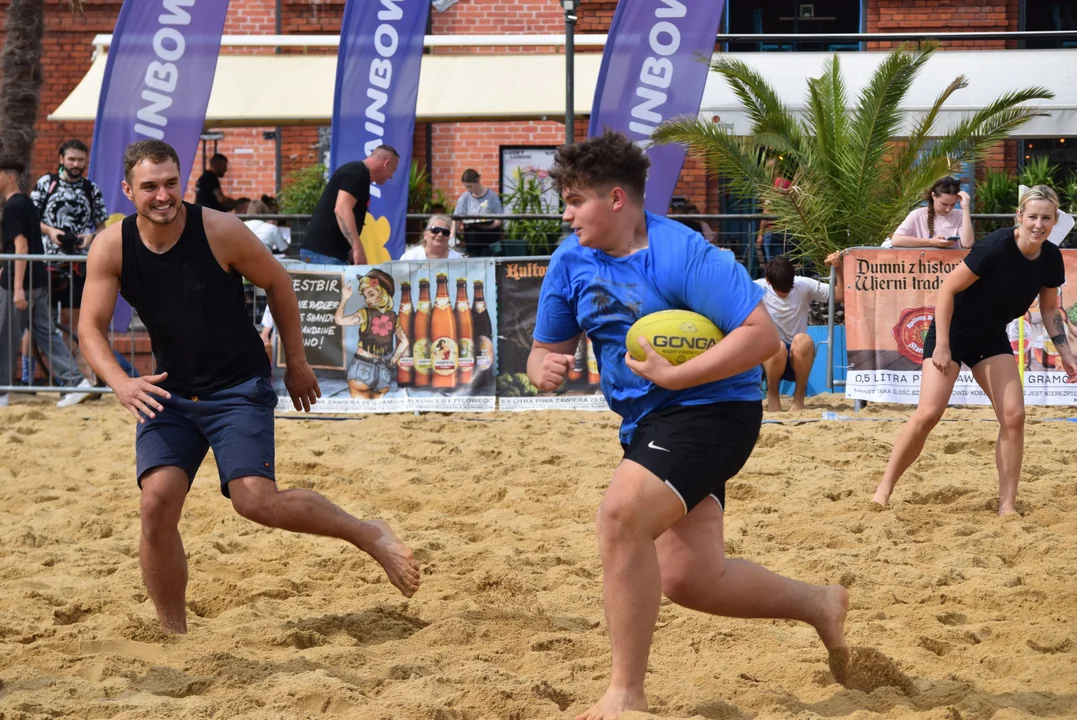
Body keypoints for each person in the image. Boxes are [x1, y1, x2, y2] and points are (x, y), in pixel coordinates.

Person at [527, 131, 848, 720]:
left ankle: (626, 694)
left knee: (621, 515)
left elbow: (758, 337)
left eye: (576, 201)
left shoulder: (685, 253)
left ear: (617, 199)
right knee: (689, 578)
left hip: (715, 411)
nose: (567, 214)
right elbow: (545, 347)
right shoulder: (569, 260)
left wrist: (679, 378)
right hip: (646, 422)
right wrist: (541, 366)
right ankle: (819, 603)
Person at [78, 140, 420, 633]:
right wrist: (120, 382)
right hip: (169, 391)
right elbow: (90, 327)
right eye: (149, 186)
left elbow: (279, 283)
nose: (162, 195)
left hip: (237, 385)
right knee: (155, 504)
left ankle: (368, 534)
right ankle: (175, 633)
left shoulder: (219, 229)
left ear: (182, 181)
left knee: (254, 500)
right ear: (129, 190)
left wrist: (298, 363)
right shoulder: (112, 246)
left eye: (171, 183)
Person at [873, 186, 1075, 516]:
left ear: (1055, 221)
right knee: (929, 414)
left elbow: (1050, 309)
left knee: (1014, 416)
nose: (1039, 224)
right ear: (1019, 217)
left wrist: (1065, 354)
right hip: (952, 330)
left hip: (989, 336)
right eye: (1033, 216)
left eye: (1046, 218)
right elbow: (947, 289)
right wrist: (942, 347)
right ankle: (884, 489)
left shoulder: (1051, 258)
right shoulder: (996, 245)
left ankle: (1007, 504)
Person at [0, 157, 95, 408]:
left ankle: (1, 393)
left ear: (9, 176)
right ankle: (76, 383)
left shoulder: (13, 207)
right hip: (38, 279)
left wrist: (18, 287)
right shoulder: (26, 203)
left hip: (21, 282)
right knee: (45, 333)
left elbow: (21, 247)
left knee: (6, 335)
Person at [756, 254, 844, 411]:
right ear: (768, 281)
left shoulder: (803, 284)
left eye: (788, 288)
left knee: (803, 340)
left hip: (797, 357)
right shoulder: (757, 288)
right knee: (778, 346)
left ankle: (799, 398)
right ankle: (773, 395)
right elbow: (727, 293)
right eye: (780, 289)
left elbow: (839, 295)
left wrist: (838, 268)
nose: (785, 292)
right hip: (770, 356)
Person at [300, 146, 400, 266]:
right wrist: (358, 249)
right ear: (386, 163)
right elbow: (342, 209)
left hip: (328, 253)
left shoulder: (359, 173)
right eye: (393, 170)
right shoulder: (358, 171)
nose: (391, 176)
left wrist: (350, 250)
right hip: (324, 253)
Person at [334, 269, 408, 399]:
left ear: (381, 293)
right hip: (383, 372)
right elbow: (405, 342)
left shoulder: (365, 314)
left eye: (371, 294)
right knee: (376, 414)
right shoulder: (393, 317)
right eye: (365, 296)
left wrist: (345, 298)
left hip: (361, 369)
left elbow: (339, 320)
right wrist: (391, 363)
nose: (367, 300)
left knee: (360, 413)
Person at [887, 176, 974, 249]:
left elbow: (967, 244)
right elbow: (896, 240)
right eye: (944, 204)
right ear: (934, 196)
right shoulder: (917, 214)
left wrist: (965, 208)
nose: (948, 209)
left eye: (953, 204)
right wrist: (930, 242)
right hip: (925, 266)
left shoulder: (960, 215)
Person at [453, 169, 503, 257]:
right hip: (472, 235)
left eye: (470, 186)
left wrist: (487, 227)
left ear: (477, 181)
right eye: (466, 187)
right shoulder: (464, 198)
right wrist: (452, 235)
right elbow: (457, 218)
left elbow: (499, 218)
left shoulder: (492, 196)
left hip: (489, 234)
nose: (469, 189)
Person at [399, 214, 464, 260]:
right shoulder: (410, 257)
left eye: (445, 232)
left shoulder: (457, 259)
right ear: (425, 234)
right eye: (435, 230)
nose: (440, 235)